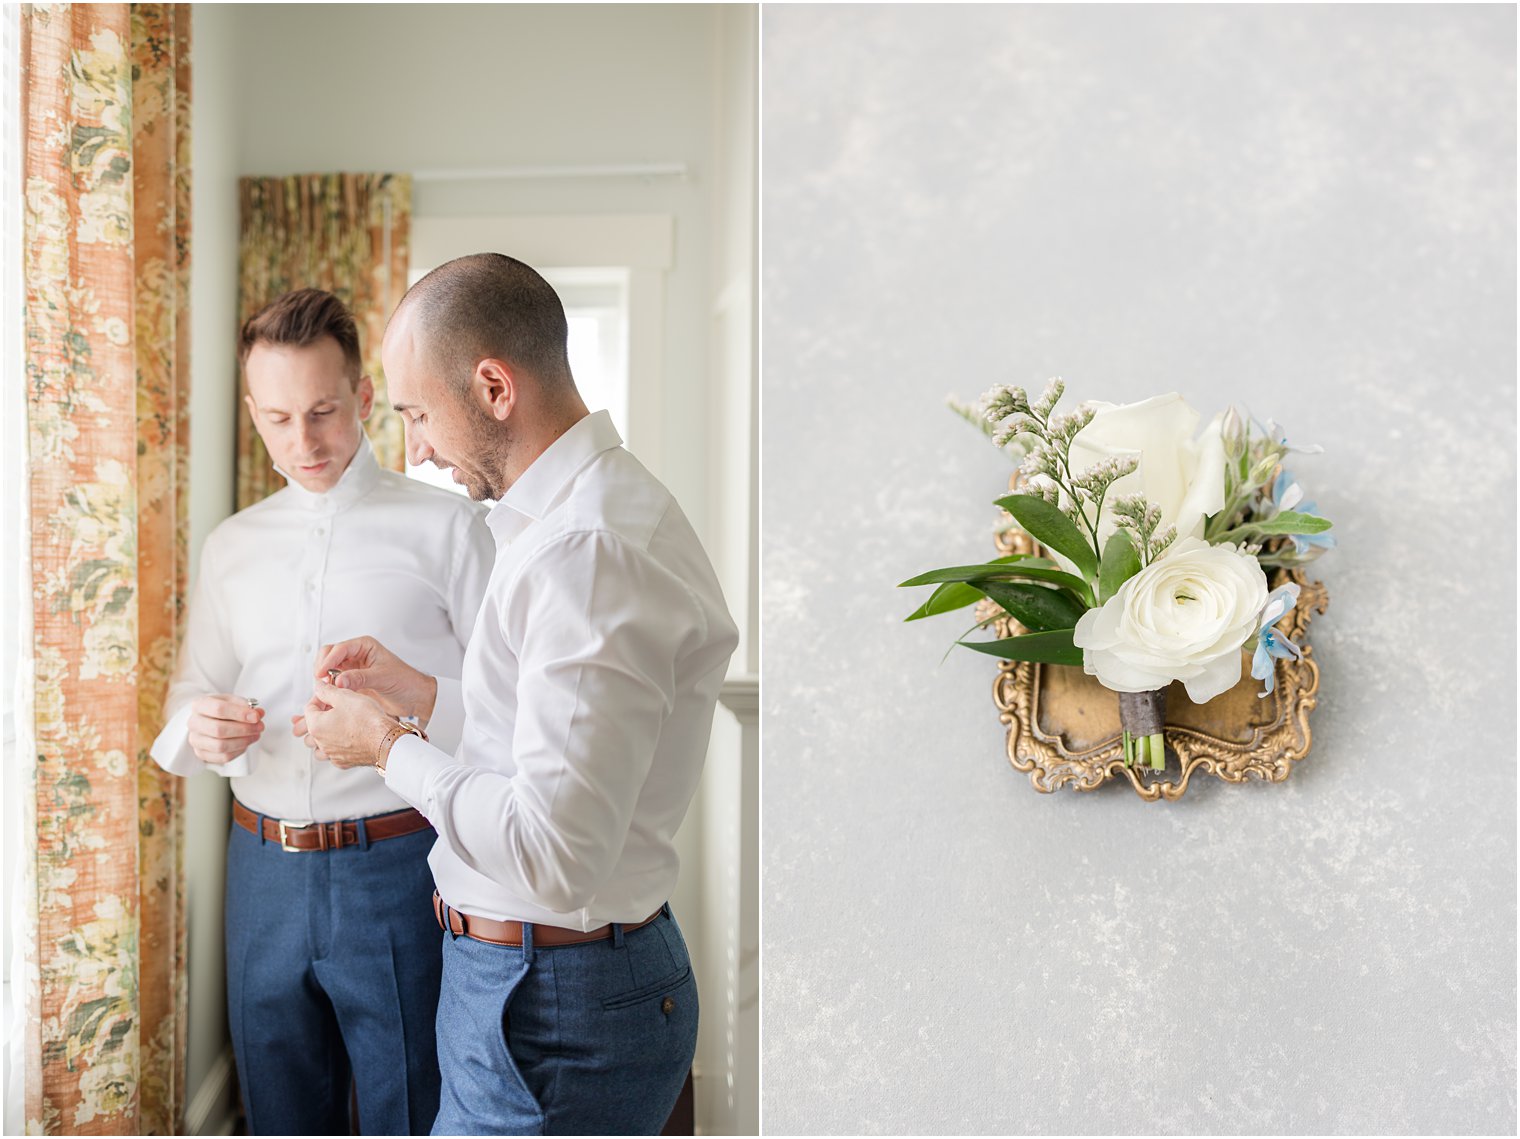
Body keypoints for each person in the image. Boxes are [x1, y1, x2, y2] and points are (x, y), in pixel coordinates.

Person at [302, 253, 739, 1135]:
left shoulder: (588, 550)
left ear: (495, 386)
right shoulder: (581, 518)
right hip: (535, 988)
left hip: (550, 1007)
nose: (416, 448)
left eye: (418, 414)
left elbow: (552, 850)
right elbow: (542, 740)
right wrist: (422, 694)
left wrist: (386, 747)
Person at [149, 288, 495, 1136]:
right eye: (275, 419)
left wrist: (403, 721)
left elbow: (507, 714)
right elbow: (184, 705)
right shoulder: (230, 546)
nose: (300, 442)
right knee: (277, 1109)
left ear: (366, 399)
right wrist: (205, 729)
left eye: (322, 411)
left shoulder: (451, 530)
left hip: (400, 863)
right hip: (261, 871)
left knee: (406, 1103)